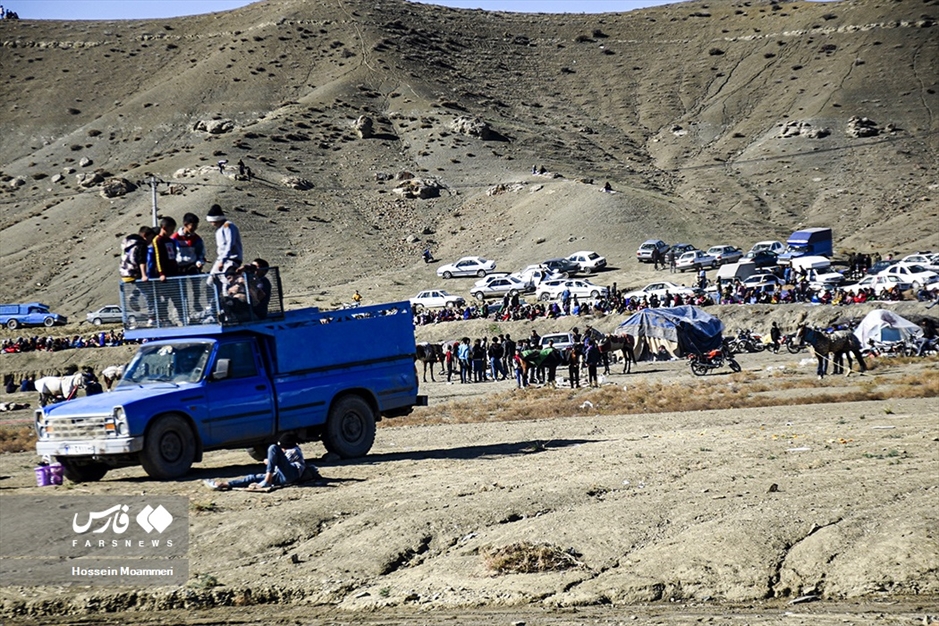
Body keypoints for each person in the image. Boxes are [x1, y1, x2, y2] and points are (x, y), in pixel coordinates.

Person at [204, 433, 313, 491]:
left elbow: (280, 464)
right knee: (252, 477)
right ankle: (223, 485)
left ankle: (267, 480)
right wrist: (271, 461)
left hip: (292, 474)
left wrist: (270, 461)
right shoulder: (288, 452)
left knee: (272, 448)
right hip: (282, 475)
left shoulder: (294, 451)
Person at [206, 204, 243, 276]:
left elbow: (230, 244)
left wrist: (223, 261)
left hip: (230, 260)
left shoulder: (228, 226)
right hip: (221, 259)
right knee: (212, 280)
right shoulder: (220, 229)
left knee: (226, 281)